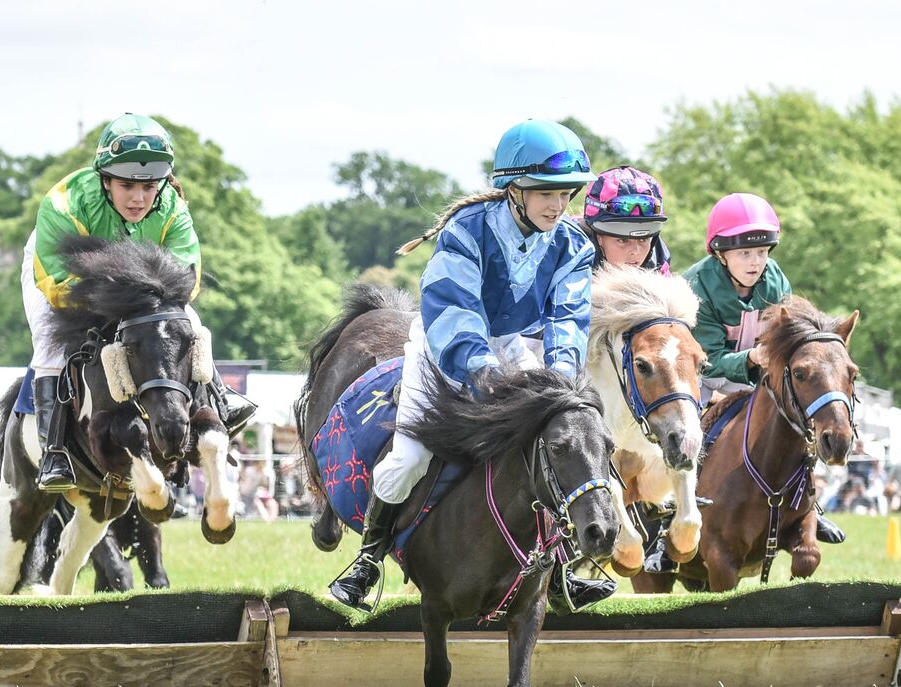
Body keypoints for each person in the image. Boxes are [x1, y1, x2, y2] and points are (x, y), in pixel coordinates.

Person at [328, 118, 611, 613]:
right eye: (545, 193)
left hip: (508, 347)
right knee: (408, 460)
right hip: (441, 349)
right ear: (513, 189)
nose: (558, 205)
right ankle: (367, 560)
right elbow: (454, 313)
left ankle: (562, 569)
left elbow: (569, 318)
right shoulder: (467, 231)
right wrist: (482, 375)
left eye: (565, 193)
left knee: (546, 449)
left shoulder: (572, 244)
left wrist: (562, 382)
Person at [21, 113, 254, 492]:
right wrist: (118, 298)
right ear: (105, 179)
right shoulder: (63, 203)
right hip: (63, 278)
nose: (139, 198)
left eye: (148, 187)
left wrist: (141, 301)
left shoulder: (173, 209)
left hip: (139, 289)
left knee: (188, 322)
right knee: (49, 347)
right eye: (127, 185)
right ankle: (54, 451)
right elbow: (56, 283)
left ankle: (221, 401)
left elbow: (186, 279)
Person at [644, 192, 842, 572]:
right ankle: (663, 524)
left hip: (754, 376)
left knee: (793, 422)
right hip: (698, 376)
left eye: (762, 252)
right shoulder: (697, 286)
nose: (755, 262)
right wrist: (752, 358)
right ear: (721, 254)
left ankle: (806, 508)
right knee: (685, 437)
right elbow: (713, 360)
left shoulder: (774, 277)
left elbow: (786, 335)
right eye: (744, 254)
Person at [577, 166, 672, 274]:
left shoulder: (658, 259)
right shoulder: (569, 253)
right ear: (598, 238)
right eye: (622, 240)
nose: (635, 252)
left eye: (643, 239)